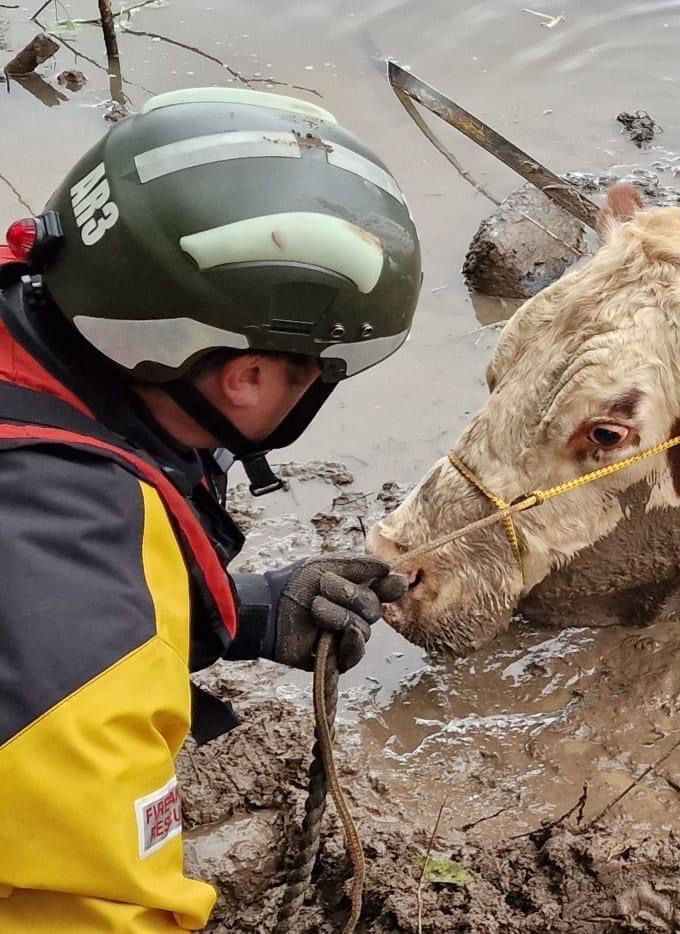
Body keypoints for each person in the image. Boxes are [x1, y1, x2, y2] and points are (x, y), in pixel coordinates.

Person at [0, 87, 421, 929]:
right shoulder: (83, 581)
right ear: (248, 375)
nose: (314, 388)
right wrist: (127, 627)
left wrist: (238, 614)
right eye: (313, 371)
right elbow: (95, 910)